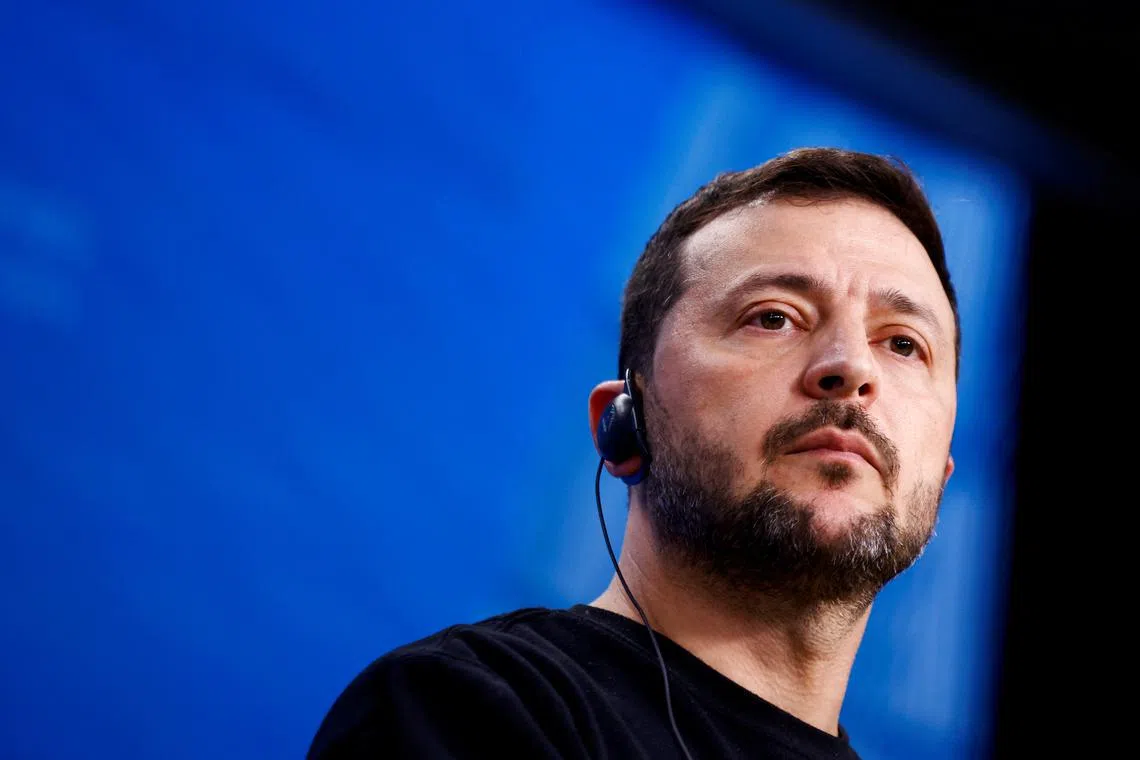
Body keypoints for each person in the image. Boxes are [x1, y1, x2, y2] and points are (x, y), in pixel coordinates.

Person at [307, 147, 960, 759]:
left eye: (903, 344)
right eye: (773, 316)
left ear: (942, 472)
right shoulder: (464, 708)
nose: (849, 367)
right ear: (624, 423)